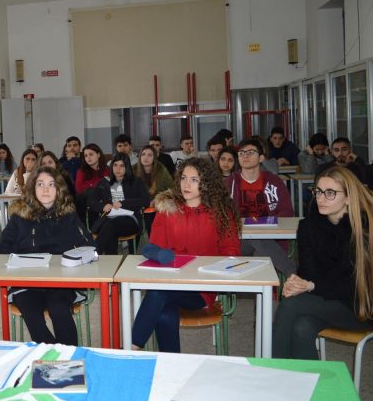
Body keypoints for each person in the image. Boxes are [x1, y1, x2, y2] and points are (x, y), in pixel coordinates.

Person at [131, 158, 240, 353]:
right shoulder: (167, 209)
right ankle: (171, 363)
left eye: (194, 180)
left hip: (201, 287)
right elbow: (155, 247)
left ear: (206, 183)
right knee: (164, 312)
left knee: (158, 293)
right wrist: (160, 255)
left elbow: (231, 253)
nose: (186, 184)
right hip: (170, 281)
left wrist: (207, 271)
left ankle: (133, 347)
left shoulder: (220, 212)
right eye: (183, 178)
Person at [273, 166, 373, 359]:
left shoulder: (364, 229)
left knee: (291, 305)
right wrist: (299, 283)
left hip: (359, 306)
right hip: (324, 299)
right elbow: (308, 271)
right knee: (302, 326)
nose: (320, 198)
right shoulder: (308, 226)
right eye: (318, 191)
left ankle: (274, 377)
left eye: (330, 193)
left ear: (348, 197)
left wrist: (310, 285)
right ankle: (310, 386)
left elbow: (352, 286)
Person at [0, 167, 95, 345]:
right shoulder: (19, 216)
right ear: (32, 188)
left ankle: (67, 356)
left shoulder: (68, 216)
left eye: (51, 184)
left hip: (62, 283)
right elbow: (3, 250)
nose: (46, 190)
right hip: (27, 283)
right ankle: (54, 356)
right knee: (31, 310)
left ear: (59, 189)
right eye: (40, 184)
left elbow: (90, 247)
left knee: (58, 308)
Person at [224, 139, 296, 276]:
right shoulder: (228, 184)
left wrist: (266, 227)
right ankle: (293, 274)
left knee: (260, 248)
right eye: (241, 153)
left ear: (261, 157)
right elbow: (220, 214)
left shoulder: (274, 182)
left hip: (271, 238)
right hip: (237, 241)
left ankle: (266, 293)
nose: (245, 156)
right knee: (255, 236)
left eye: (250, 152)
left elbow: (287, 212)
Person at [88, 153, 150, 254]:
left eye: (122, 166)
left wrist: (124, 203)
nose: (118, 169)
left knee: (110, 226)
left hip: (130, 219)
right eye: (115, 165)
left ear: (127, 167)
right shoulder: (105, 182)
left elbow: (145, 200)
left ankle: (94, 254)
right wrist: (103, 206)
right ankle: (111, 261)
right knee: (110, 229)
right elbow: (91, 201)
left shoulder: (136, 181)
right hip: (109, 218)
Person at [134, 145, 175, 231]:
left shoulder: (161, 169)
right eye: (143, 154)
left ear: (154, 158)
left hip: (156, 203)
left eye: (150, 155)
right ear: (139, 156)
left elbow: (172, 189)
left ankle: (153, 241)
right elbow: (128, 191)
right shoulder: (133, 169)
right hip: (138, 203)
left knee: (151, 216)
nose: (146, 157)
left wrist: (157, 200)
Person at [74, 143, 110, 224]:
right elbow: (79, 189)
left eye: (91, 154)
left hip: (104, 200)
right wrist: (95, 188)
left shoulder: (107, 170)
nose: (88, 157)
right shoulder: (81, 171)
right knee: (83, 198)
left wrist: (90, 187)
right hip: (86, 200)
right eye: (86, 156)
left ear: (98, 154)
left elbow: (108, 187)